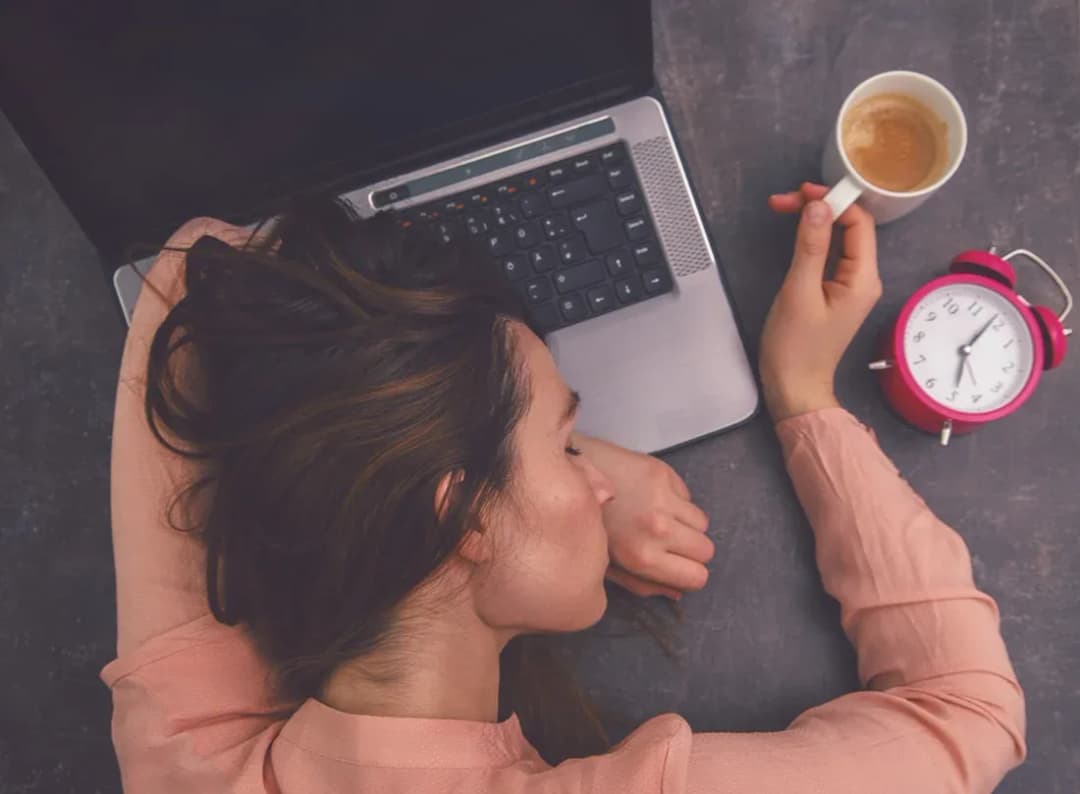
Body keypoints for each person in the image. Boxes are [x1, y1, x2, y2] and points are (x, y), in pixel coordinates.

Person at [103, 182, 1026, 793]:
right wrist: (803, 396)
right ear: (460, 512)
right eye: (571, 444)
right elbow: (971, 709)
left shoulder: (188, 758)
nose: (593, 481)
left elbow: (195, 262)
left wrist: (521, 462)